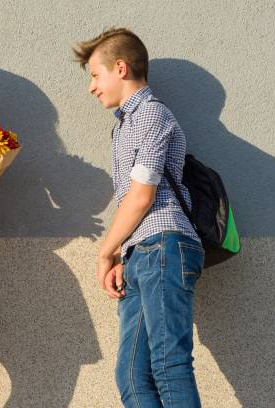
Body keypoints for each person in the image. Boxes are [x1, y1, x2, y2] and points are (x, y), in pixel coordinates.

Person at [73, 28, 205, 408]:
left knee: (169, 364)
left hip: (165, 246)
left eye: (95, 76)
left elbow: (142, 194)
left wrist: (104, 252)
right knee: (131, 375)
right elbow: (132, 198)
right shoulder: (124, 125)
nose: (92, 88)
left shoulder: (151, 113)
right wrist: (120, 253)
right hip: (140, 253)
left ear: (120, 67)